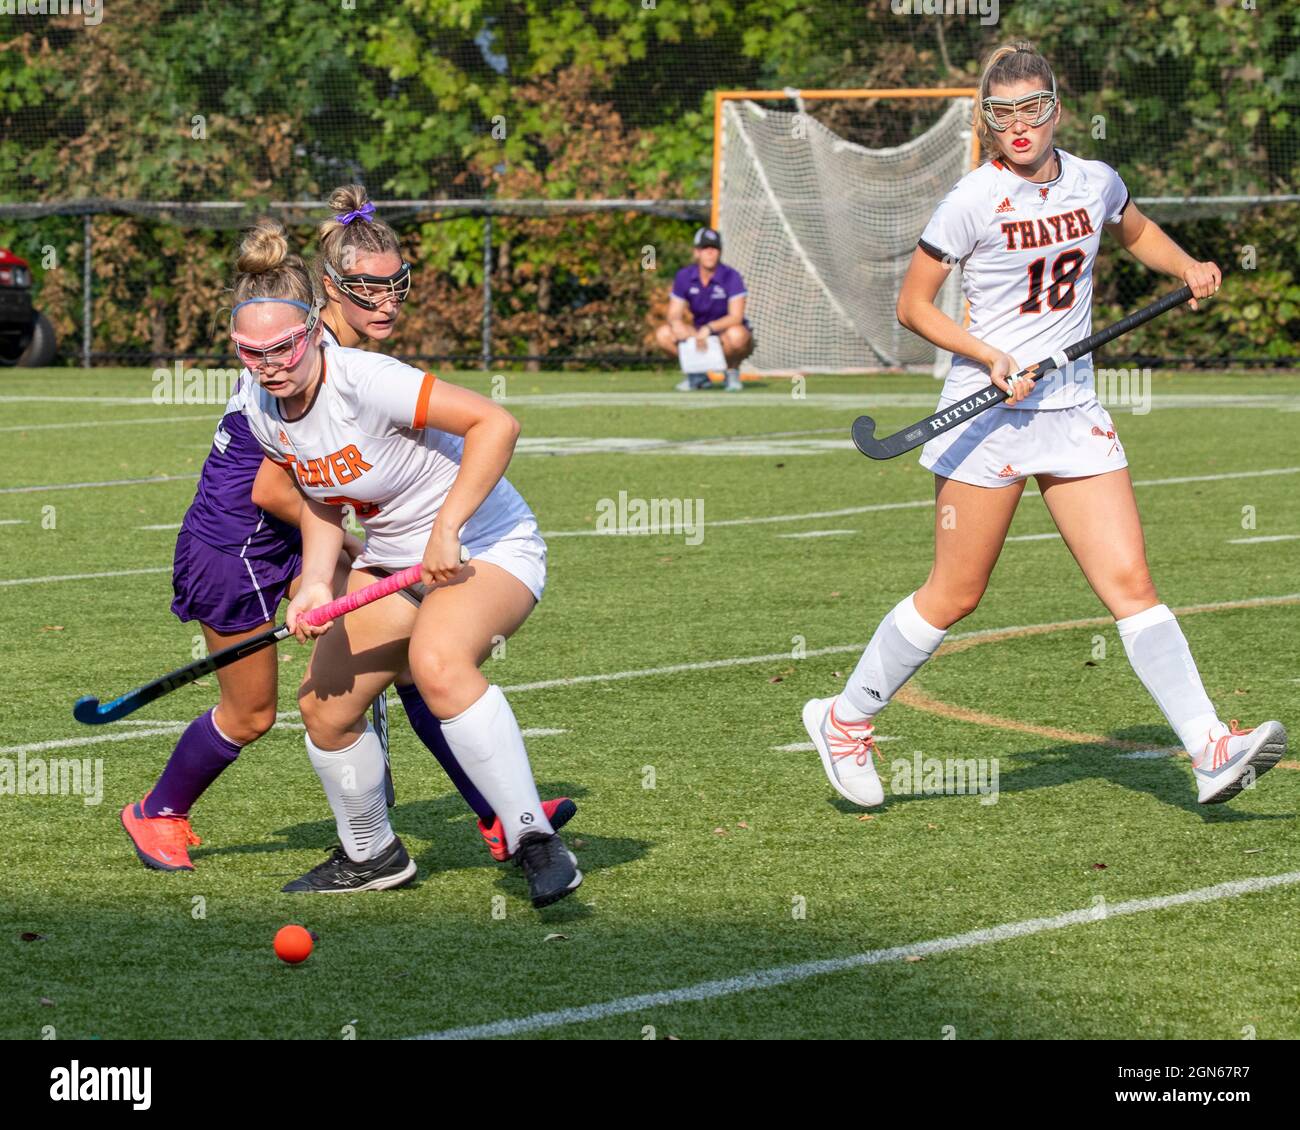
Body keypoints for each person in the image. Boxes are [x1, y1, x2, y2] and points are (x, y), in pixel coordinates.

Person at [801, 42, 1286, 810]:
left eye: (1032, 109)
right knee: (955, 593)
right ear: (986, 122)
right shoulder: (971, 200)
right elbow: (915, 307)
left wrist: (1186, 266)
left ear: (1056, 109)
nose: (1019, 125)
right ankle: (845, 719)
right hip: (988, 415)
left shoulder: (1095, 181)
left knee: (1130, 583)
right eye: (1002, 114)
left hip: (1071, 410)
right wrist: (988, 355)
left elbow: (1134, 231)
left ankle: (1208, 746)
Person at [120, 193, 572, 877]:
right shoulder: (285, 369)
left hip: (317, 527)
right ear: (330, 294)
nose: (387, 303)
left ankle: (497, 814)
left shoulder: (351, 366)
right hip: (242, 541)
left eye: (397, 286)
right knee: (260, 712)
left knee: (423, 666)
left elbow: (361, 466)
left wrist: (395, 534)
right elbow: (278, 489)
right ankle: (161, 810)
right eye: (368, 289)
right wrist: (337, 561)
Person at [232, 221, 581, 907]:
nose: (269, 364)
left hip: (487, 546)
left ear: (309, 330)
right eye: (251, 353)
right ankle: (373, 854)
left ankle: (535, 839)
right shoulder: (259, 405)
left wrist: (447, 527)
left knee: (439, 665)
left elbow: (496, 424)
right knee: (324, 707)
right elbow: (323, 502)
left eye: (282, 348)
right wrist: (310, 585)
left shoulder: (368, 379)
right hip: (398, 561)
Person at [654, 227, 753, 392]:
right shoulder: (684, 276)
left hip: (723, 333)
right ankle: (697, 375)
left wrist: (710, 328)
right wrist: (677, 323)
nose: (710, 253)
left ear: (719, 252)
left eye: (714, 248)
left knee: (738, 335)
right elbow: (673, 313)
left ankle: (731, 372)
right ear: (696, 252)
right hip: (698, 333)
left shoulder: (732, 276)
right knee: (664, 334)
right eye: (705, 248)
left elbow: (736, 316)